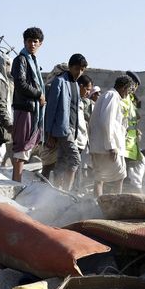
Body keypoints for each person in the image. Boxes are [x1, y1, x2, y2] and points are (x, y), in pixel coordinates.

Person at [44, 54, 88, 191]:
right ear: (70, 67)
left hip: (72, 131)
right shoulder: (60, 81)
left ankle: (56, 192)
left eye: (82, 69)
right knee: (75, 159)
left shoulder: (75, 84)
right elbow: (51, 109)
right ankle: (66, 191)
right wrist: (49, 134)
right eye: (76, 68)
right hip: (63, 129)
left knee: (62, 162)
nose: (79, 72)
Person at [11, 27, 46, 182]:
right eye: (29, 41)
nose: (32, 44)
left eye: (35, 41)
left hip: (32, 110)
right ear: (24, 42)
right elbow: (20, 83)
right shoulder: (21, 60)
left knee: (25, 149)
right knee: (21, 149)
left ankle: (17, 183)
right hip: (24, 108)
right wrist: (39, 94)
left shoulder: (33, 61)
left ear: (40, 44)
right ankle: (16, 183)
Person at [89, 76, 133, 196]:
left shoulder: (107, 95)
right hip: (106, 147)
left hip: (99, 145)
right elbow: (106, 121)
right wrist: (111, 145)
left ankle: (98, 203)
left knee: (99, 177)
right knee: (120, 176)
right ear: (124, 88)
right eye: (129, 90)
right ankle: (115, 203)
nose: (128, 93)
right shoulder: (112, 96)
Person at [123, 70, 145, 192]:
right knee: (137, 164)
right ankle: (135, 189)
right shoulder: (122, 98)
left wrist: (136, 130)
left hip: (131, 142)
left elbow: (132, 120)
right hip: (124, 141)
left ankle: (133, 188)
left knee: (135, 164)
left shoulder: (131, 98)